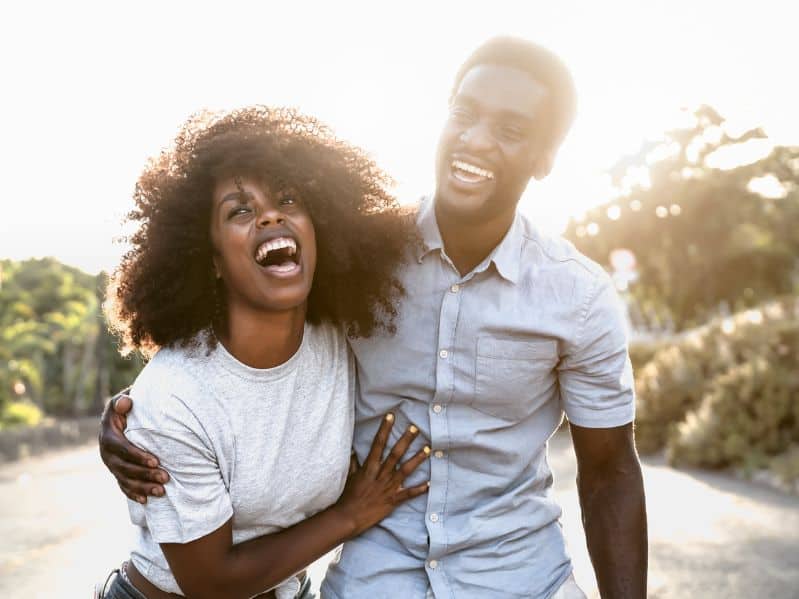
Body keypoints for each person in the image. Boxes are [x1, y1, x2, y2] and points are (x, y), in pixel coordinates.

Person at [101, 37, 648, 598]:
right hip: (372, 582)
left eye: (510, 130)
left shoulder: (578, 296)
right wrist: (136, 418)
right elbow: (237, 332)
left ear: (545, 157)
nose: (476, 139)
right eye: (465, 114)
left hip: (522, 580)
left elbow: (610, 472)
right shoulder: (359, 258)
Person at [97, 106, 431, 599]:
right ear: (210, 259)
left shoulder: (344, 339)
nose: (271, 215)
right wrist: (352, 514)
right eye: (240, 209)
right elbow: (210, 583)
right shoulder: (173, 397)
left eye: (288, 199)